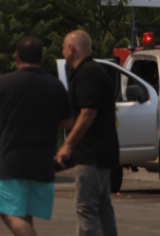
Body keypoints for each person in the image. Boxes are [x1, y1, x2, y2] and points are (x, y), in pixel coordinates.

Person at [0, 37, 74, 236]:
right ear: (42, 57)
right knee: (26, 214)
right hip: (43, 162)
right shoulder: (55, 85)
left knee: (7, 212)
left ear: (15, 57)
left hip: (12, 162)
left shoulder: (5, 82)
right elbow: (68, 122)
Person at [56, 31, 119, 236]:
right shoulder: (93, 71)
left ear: (71, 48)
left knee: (86, 210)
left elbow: (87, 114)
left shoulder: (87, 73)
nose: (63, 51)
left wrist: (67, 146)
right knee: (102, 209)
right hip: (100, 153)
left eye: (64, 47)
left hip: (91, 155)